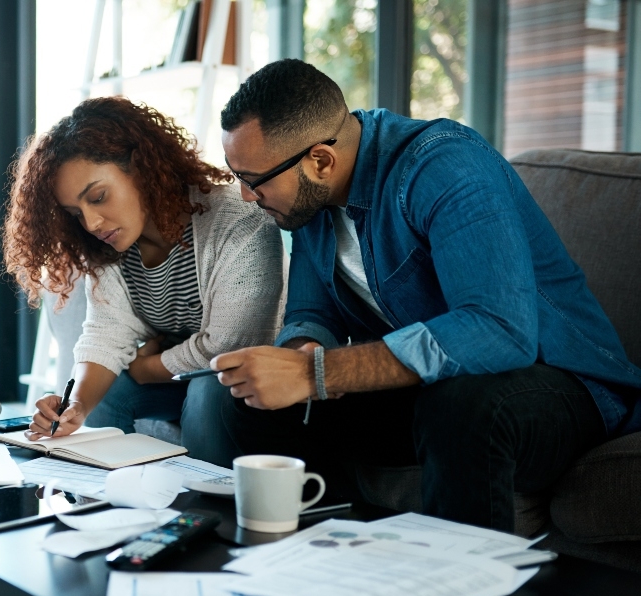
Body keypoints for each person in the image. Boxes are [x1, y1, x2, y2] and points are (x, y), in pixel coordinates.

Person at [205, 59, 641, 533]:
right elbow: (312, 312)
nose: (247, 196)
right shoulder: (309, 203)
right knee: (252, 399)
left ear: (321, 160)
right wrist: (295, 358)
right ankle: (315, 564)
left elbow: (500, 331)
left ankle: (461, 594)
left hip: (561, 387)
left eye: (253, 180)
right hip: (431, 391)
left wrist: (316, 373)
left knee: (462, 406)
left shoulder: (443, 166)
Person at [1, 97, 284, 464]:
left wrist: (145, 367)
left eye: (98, 197)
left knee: (207, 389)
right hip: (177, 376)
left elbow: (228, 348)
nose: (92, 223)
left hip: (243, 381)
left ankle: (205, 512)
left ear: (140, 167)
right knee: (110, 394)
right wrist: (74, 407)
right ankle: (104, 501)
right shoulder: (109, 245)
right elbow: (106, 333)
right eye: (76, 213)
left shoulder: (237, 219)